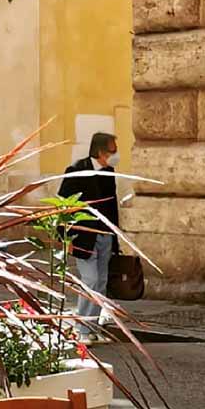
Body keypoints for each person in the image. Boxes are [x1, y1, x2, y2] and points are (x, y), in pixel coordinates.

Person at [58, 132, 119, 332]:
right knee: (90, 280)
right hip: (83, 237)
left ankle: (92, 328)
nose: (116, 154)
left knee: (101, 282)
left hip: (105, 237)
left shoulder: (109, 172)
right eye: (113, 150)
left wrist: (115, 238)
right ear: (101, 151)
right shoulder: (76, 170)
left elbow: (112, 207)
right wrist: (65, 237)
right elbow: (63, 206)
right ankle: (82, 329)